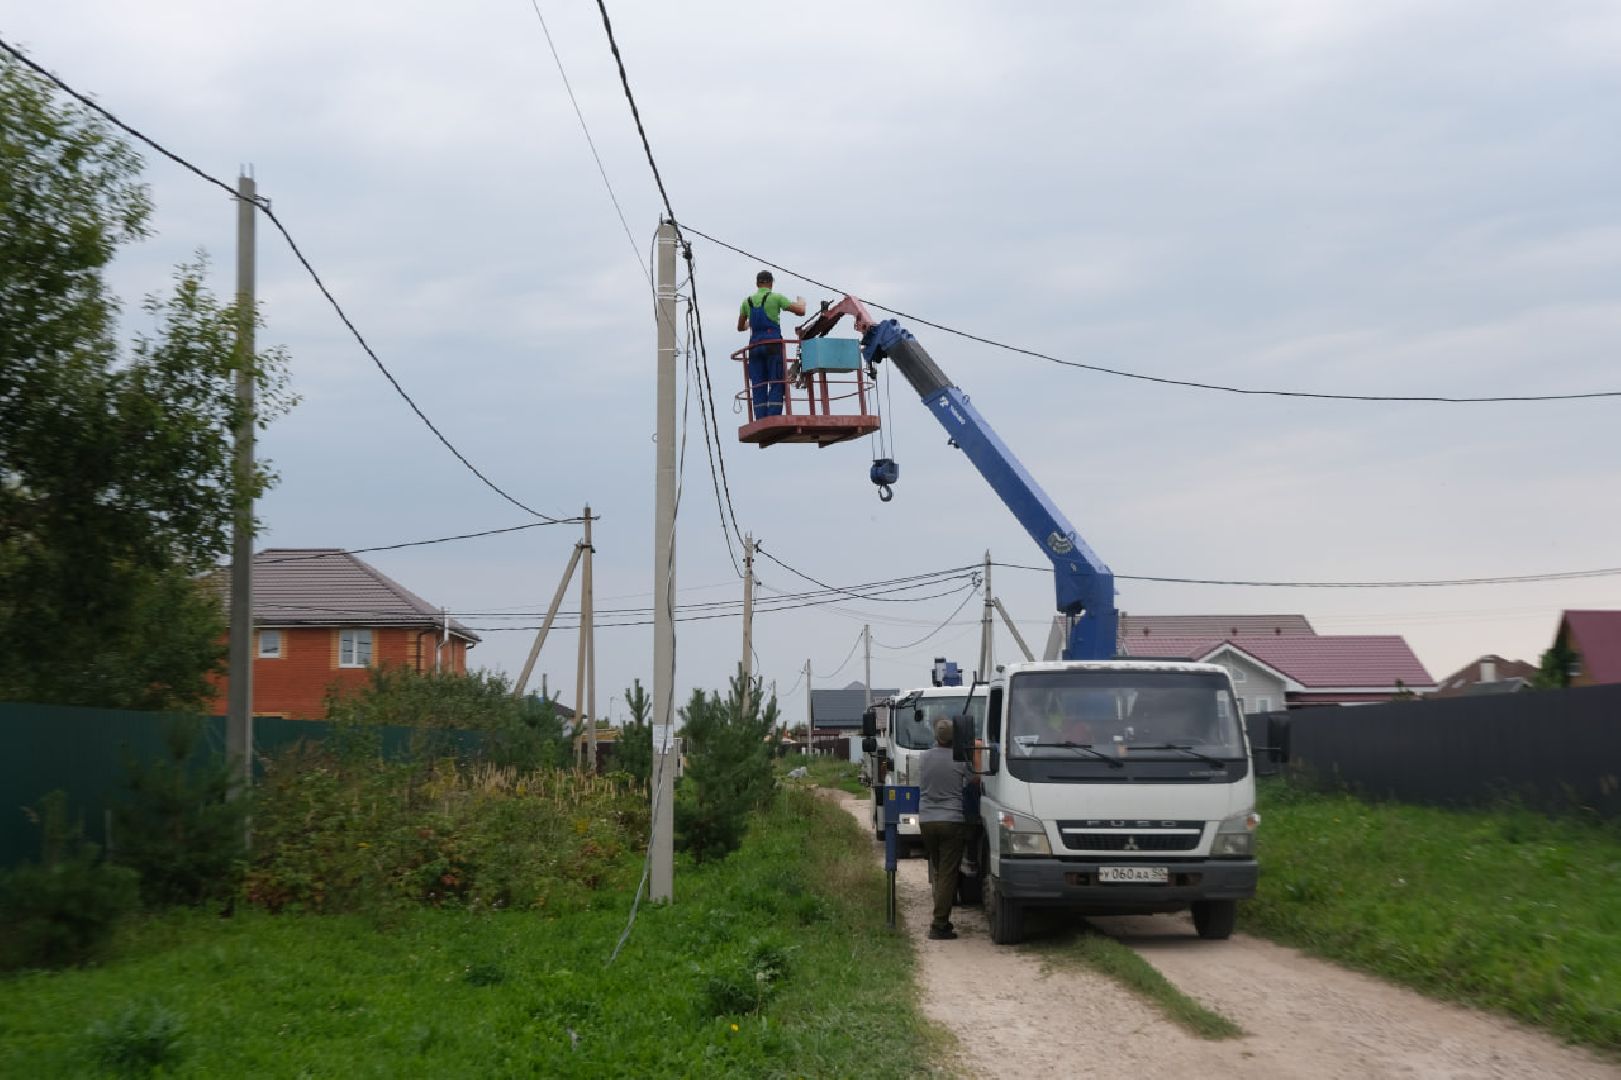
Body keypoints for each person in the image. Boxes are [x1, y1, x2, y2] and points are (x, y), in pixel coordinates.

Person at [918, 717, 972, 940]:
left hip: (927, 820)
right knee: (949, 873)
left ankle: (942, 918)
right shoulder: (960, 760)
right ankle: (939, 924)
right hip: (951, 820)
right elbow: (975, 780)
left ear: (936, 736)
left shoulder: (924, 758)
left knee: (940, 870)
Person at [737, 271, 806, 419]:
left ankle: (761, 418)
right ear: (771, 283)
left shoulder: (746, 301)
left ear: (757, 284)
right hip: (772, 344)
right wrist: (802, 301)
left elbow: (740, 327)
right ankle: (773, 416)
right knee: (776, 380)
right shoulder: (775, 297)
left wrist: (749, 324)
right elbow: (801, 311)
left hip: (754, 347)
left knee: (758, 383)